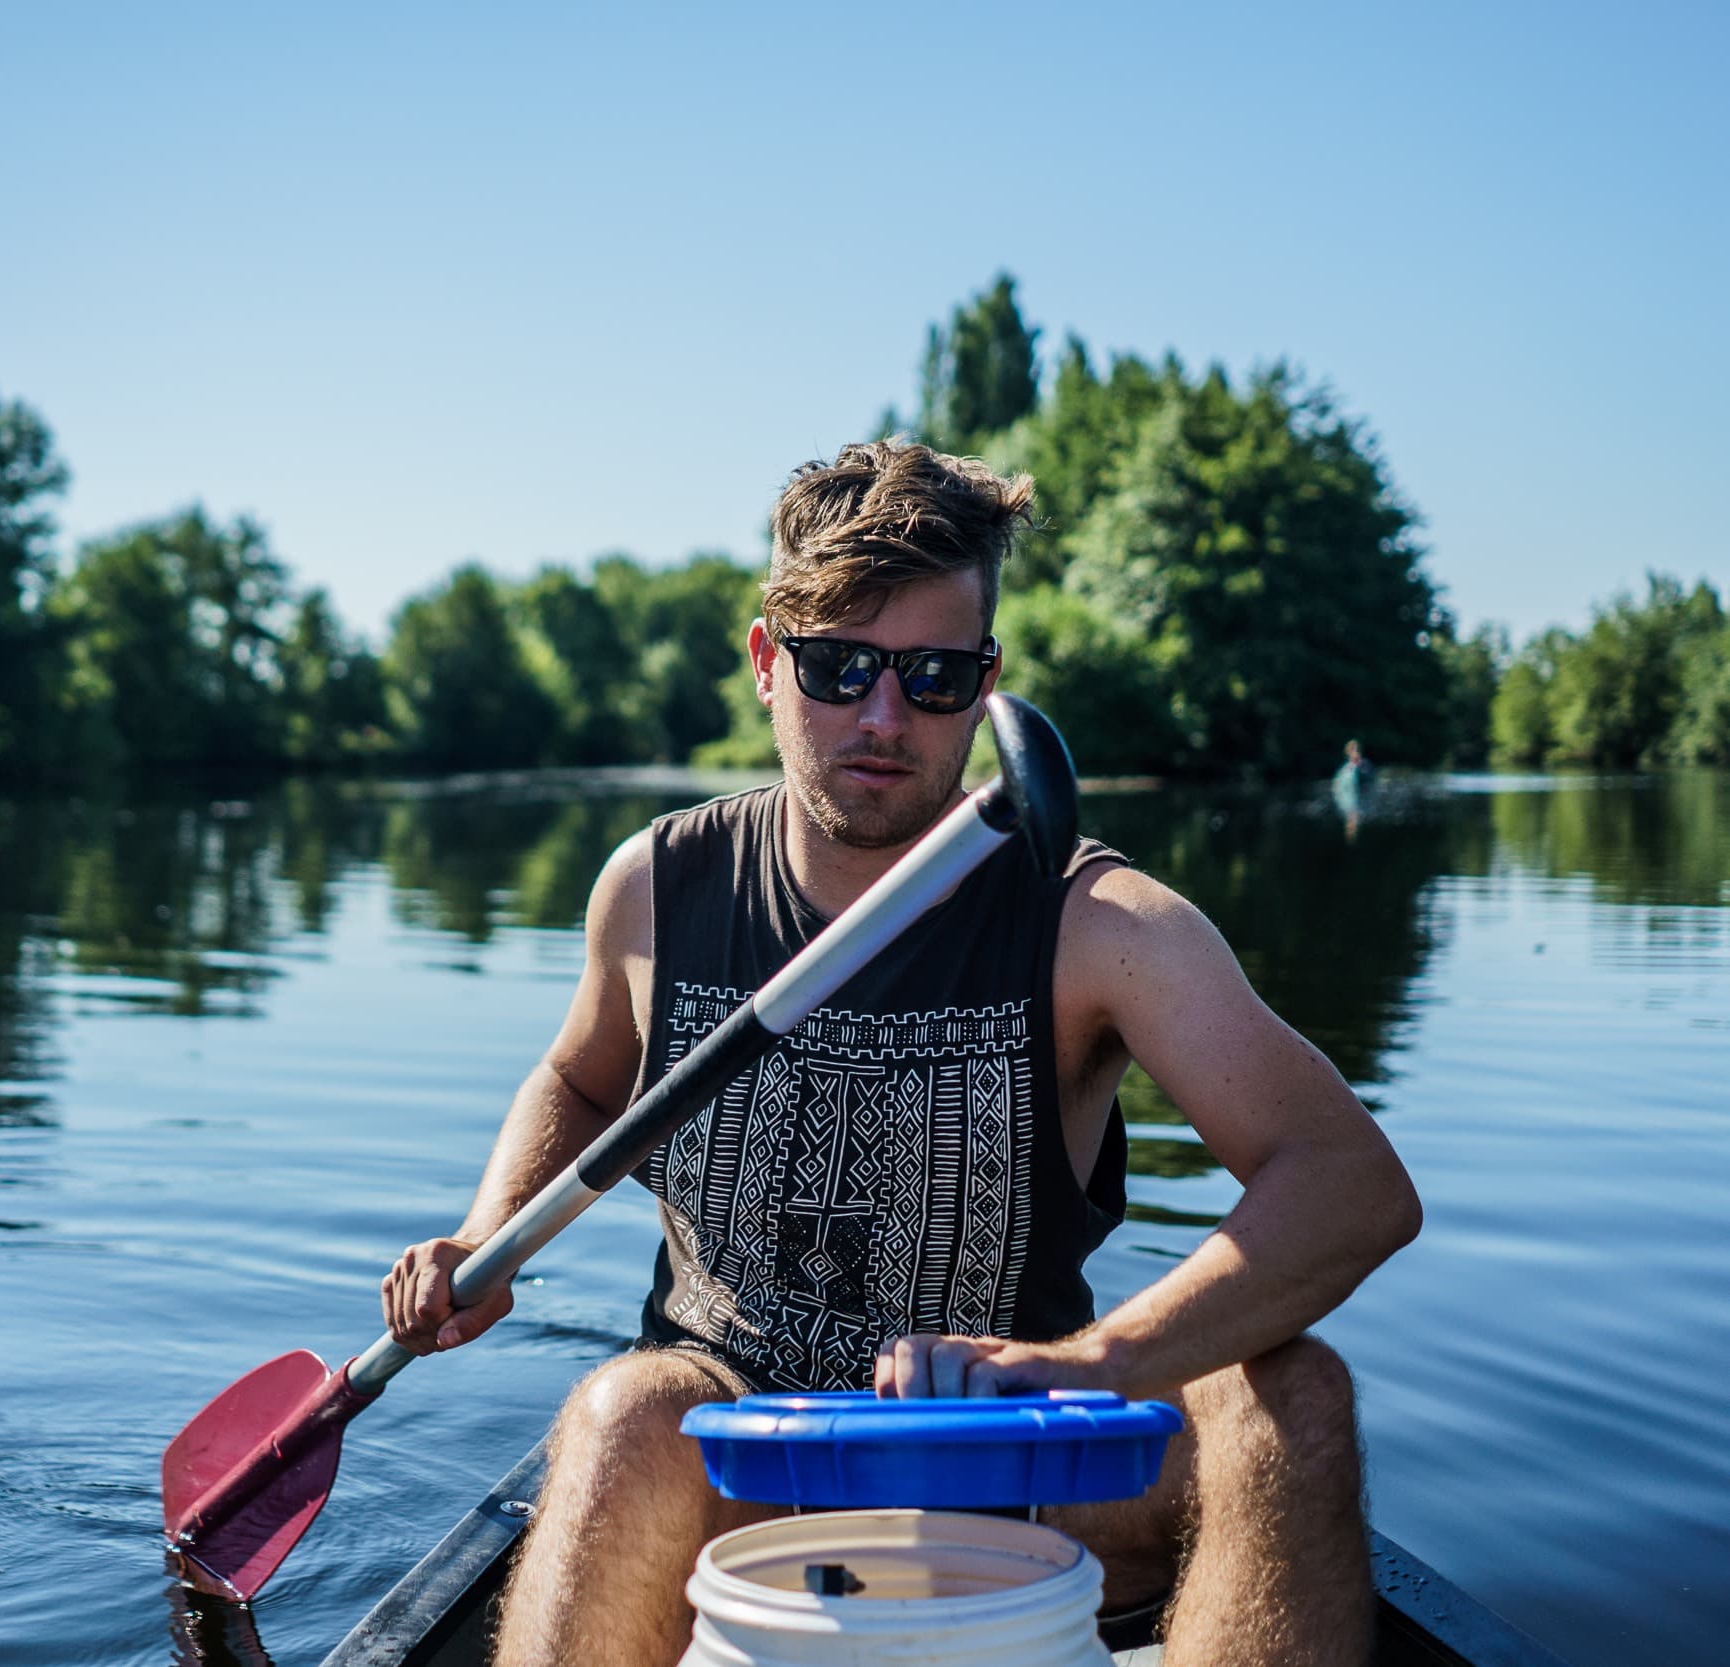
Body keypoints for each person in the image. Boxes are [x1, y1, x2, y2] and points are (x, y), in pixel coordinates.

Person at [379, 440, 1423, 1667]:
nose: (883, 717)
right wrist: (490, 1230)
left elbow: (1351, 1184)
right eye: (838, 667)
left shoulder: (1098, 925)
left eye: (932, 676)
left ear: (984, 683)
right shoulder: (656, 889)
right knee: (617, 1409)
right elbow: (580, 1079)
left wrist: (1094, 1361)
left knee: (1292, 1395)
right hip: (738, 1447)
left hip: (1018, 1465)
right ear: (768, 660)